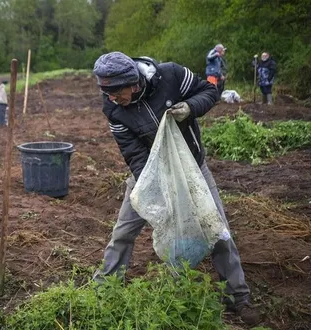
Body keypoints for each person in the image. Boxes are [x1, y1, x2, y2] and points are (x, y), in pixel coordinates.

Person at [91, 52, 261, 326]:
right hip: (148, 173)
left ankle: (237, 297)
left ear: (133, 83)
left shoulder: (171, 76)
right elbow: (134, 154)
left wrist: (190, 107)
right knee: (123, 230)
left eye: (116, 92)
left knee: (217, 228)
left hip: (192, 169)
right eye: (106, 93)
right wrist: (160, 190)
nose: (112, 99)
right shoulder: (113, 108)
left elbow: (210, 91)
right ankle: (103, 287)